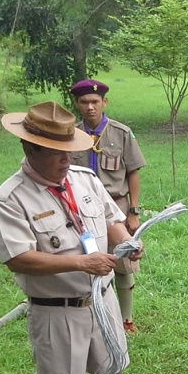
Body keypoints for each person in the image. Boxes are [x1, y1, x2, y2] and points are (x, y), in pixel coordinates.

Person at [0, 101, 144, 374]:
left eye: (69, 151)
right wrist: (80, 262)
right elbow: (18, 258)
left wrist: (126, 242)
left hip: (102, 300)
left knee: (111, 372)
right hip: (56, 309)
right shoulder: (11, 198)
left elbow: (111, 220)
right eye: (56, 153)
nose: (66, 160)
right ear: (29, 148)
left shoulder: (85, 179)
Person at [69, 79, 148, 334]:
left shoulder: (121, 133)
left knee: (123, 263)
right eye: (84, 102)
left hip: (117, 206)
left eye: (95, 102)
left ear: (105, 102)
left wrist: (133, 211)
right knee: (91, 260)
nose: (90, 107)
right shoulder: (72, 135)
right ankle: (96, 314)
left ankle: (125, 318)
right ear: (77, 104)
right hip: (82, 209)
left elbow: (133, 172)